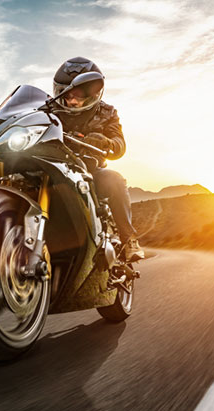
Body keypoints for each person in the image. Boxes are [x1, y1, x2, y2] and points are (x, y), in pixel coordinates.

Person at [52, 56, 144, 261]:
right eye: (65, 93)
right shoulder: (49, 108)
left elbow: (119, 145)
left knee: (115, 180)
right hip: (52, 165)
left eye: (78, 95)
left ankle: (129, 239)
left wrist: (106, 142)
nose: (71, 100)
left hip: (89, 172)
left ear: (92, 94)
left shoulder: (107, 112)